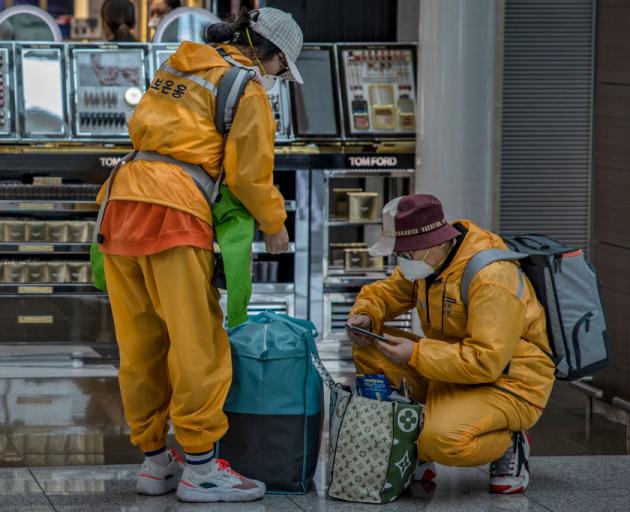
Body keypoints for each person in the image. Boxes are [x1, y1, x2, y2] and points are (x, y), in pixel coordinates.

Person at [96, 7, 302, 503]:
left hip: (119, 203)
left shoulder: (181, 62)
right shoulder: (246, 89)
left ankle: (154, 462)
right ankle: (203, 467)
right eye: (281, 69)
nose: (278, 78)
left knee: (141, 343)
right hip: (174, 212)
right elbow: (250, 176)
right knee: (197, 344)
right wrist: (274, 226)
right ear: (269, 54)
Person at [346, 194, 556, 494]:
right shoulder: (429, 261)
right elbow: (385, 293)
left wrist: (416, 353)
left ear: (431, 242)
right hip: (452, 371)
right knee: (369, 346)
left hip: (508, 383)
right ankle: (414, 446)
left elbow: (486, 361)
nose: (400, 259)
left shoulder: (491, 278)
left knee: (441, 440)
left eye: (404, 252)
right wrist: (366, 316)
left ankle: (509, 441)